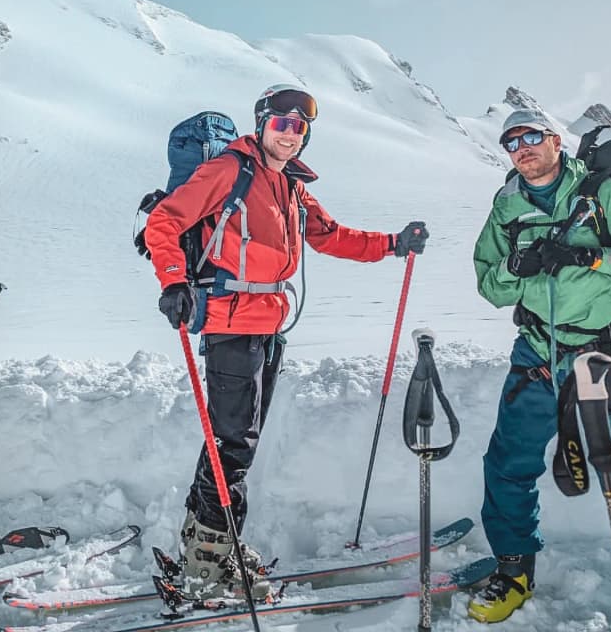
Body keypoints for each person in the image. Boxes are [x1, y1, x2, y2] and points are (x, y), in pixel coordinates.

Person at [143, 84, 429, 599]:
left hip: (269, 322)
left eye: (299, 126)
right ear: (261, 125)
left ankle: (207, 544)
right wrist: (172, 281)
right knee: (233, 444)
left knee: (232, 442)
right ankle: (209, 561)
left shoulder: (291, 186)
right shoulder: (231, 170)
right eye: (280, 123)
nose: (290, 133)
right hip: (232, 322)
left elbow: (329, 234)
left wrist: (392, 245)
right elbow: (165, 220)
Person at [469, 109, 611, 631]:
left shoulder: (607, 196)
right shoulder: (508, 207)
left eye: (533, 136)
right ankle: (514, 569)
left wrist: (591, 260)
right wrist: (518, 268)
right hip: (539, 353)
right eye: (512, 140)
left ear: (557, 142)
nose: (523, 147)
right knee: (508, 462)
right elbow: (489, 286)